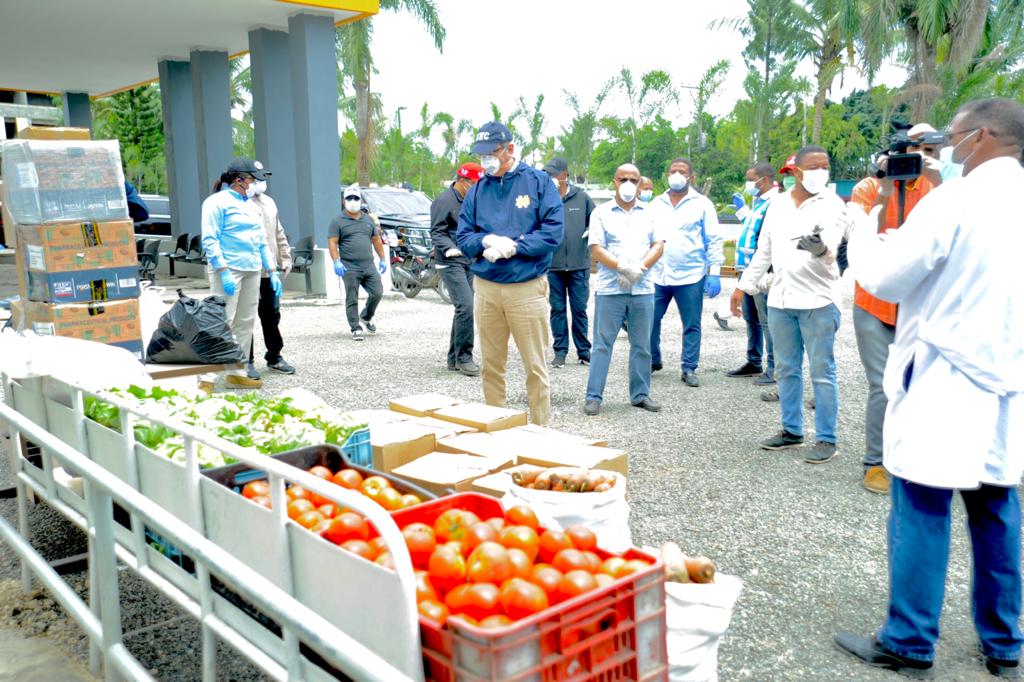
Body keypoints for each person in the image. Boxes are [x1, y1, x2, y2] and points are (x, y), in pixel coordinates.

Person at [834, 97, 1024, 679]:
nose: (942, 150)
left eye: (950, 139)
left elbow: (887, 279)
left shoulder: (957, 199)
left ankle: (910, 641)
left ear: (981, 137)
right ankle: (1005, 643)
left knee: (920, 503)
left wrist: (863, 223)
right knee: (997, 507)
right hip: (1006, 376)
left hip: (947, 374)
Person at [733, 145, 845, 463]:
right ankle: (792, 430)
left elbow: (832, 248)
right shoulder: (779, 205)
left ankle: (826, 438)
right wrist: (743, 286)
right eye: (813, 166)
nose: (820, 171)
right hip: (781, 300)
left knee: (823, 372)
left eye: (825, 166)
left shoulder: (832, 204)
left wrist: (820, 248)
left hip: (819, 301)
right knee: (787, 369)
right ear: (797, 171)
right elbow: (764, 251)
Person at [847, 123, 941, 494]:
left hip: (920, 303)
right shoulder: (869, 187)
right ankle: (875, 463)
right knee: (882, 386)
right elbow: (858, 234)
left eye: (929, 150)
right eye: (916, 149)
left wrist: (940, 178)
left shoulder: (939, 189)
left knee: (922, 385)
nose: (919, 158)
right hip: (873, 301)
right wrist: (886, 192)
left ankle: (914, 458)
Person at [456, 121, 564, 426]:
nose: (487, 159)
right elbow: (464, 236)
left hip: (526, 287)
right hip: (487, 287)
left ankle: (540, 429)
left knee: (535, 366)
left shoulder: (538, 183)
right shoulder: (478, 190)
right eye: (482, 154)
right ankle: (497, 429)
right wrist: (486, 240)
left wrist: (515, 246)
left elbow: (553, 232)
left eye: (493, 152)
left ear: (510, 149)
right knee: (491, 365)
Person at [583, 164, 664, 416]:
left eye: (633, 179)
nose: (628, 183)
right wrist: (623, 267)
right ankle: (593, 396)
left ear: (640, 183)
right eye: (623, 179)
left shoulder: (651, 212)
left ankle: (640, 395)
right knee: (602, 345)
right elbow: (596, 248)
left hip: (643, 288)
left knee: (642, 345)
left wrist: (639, 268)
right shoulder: (601, 213)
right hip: (610, 288)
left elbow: (658, 245)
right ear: (614, 182)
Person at [200, 158, 282, 391]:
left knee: (245, 322)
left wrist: (272, 271)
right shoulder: (216, 203)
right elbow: (210, 239)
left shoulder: (250, 205)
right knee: (221, 320)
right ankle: (205, 377)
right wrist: (223, 270)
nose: (256, 183)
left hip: (252, 269)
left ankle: (237, 370)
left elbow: (261, 242)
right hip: (229, 269)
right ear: (239, 180)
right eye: (253, 179)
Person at [649, 158, 724, 387]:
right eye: (673, 171)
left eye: (682, 171)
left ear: (691, 177)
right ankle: (652, 359)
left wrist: (715, 271)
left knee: (691, 323)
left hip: (691, 275)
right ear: (667, 174)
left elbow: (713, 239)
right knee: (649, 320)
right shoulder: (655, 204)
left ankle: (689, 367)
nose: (677, 175)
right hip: (658, 274)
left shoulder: (702, 204)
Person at [726, 162, 780, 385]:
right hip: (746, 270)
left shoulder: (776, 202)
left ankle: (774, 367)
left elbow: (767, 240)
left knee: (767, 322)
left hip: (761, 273)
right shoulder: (759, 202)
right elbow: (751, 227)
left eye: (751, 179)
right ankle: (754, 361)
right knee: (752, 319)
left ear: (764, 180)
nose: (748, 184)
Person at [431, 162, 485, 376]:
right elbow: (437, 232)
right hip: (449, 260)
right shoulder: (444, 201)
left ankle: (453, 358)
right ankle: (464, 357)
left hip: (468, 260)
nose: (476, 187)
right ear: (463, 181)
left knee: (464, 308)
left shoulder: (473, 200)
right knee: (466, 305)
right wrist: (450, 248)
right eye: (473, 183)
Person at [544, 156, 596, 368]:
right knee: (557, 309)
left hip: (578, 266)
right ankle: (560, 352)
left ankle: (584, 351)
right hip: (553, 266)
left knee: (579, 309)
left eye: (554, 174)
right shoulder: (544, 199)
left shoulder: (582, 198)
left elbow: (596, 223)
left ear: (564, 175)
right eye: (547, 174)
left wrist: (591, 234)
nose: (550, 178)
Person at [247, 180, 295, 378]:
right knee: (245, 318)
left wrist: (285, 256)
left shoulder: (269, 202)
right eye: (256, 178)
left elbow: (278, 232)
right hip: (247, 270)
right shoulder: (241, 203)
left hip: (269, 270)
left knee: (272, 315)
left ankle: (274, 355)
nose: (261, 182)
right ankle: (246, 360)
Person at [329, 184, 387, 341]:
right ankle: (355, 327)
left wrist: (382, 259)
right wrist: (336, 261)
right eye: (349, 198)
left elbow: (376, 240)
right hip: (349, 266)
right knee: (352, 297)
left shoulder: (368, 220)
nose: (353, 201)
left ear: (361, 200)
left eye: (356, 198)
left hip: (368, 265)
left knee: (377, 292)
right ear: (344, 201)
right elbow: (333, 242)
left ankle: (366, 316)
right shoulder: (337, 221)